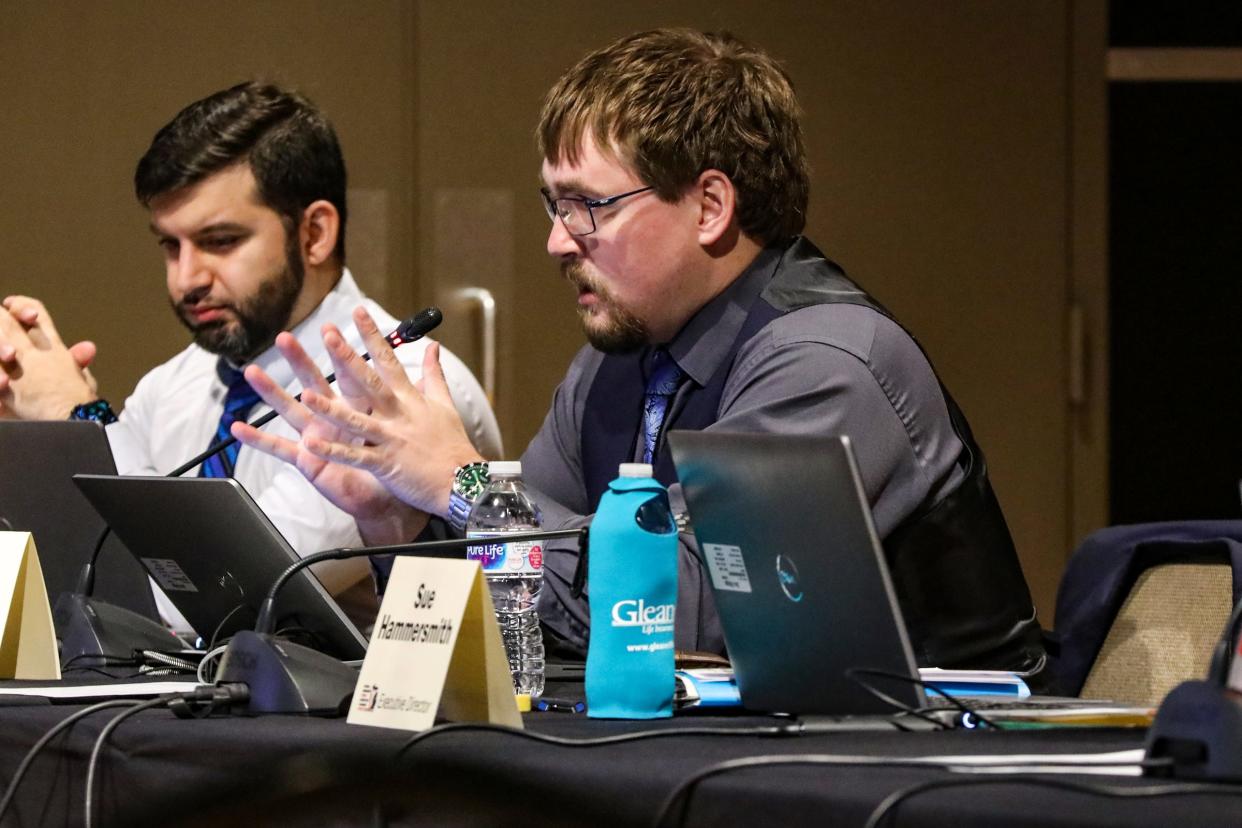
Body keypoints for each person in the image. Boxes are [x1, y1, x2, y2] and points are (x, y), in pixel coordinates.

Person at [233, 30, 1046, 676]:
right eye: (553, 206)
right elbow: (520, 626)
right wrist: (393, 519)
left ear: (710, 206)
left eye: (588, 205)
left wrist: (464, 482)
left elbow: (679, 620)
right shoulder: (614, 362)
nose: (556, 242)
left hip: (939, 769)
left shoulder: (828, 358)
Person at [0, 82, 502, 626]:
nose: (186, 279)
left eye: (220, 241)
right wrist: (38, 443)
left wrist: (77, 417)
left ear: (313, 234)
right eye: (170, 245)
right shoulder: (172, 385)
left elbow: (205, 601)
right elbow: (90, 578)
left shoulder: (399, 389)